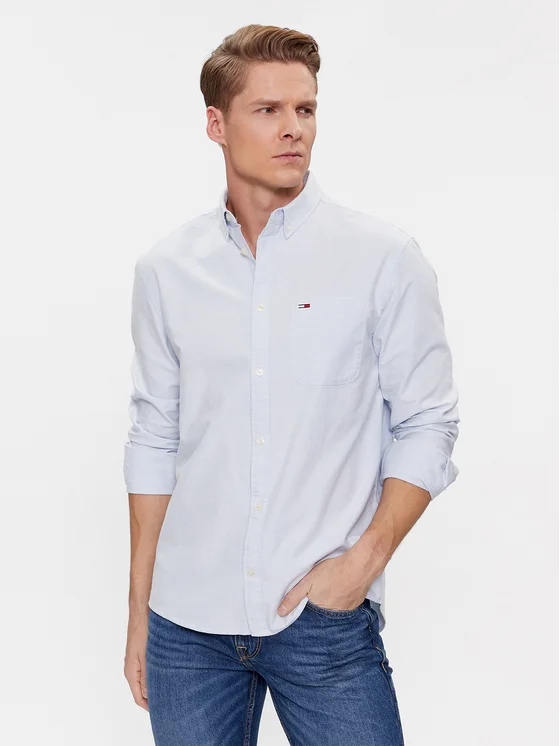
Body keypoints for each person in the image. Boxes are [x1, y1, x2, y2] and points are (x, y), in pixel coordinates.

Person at [122, 23, 460, 746]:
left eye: (305, 109)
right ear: (216, 125)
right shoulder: (166, 270)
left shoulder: (382, 258)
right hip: (187, 626)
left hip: (321, 620)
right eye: (268, 110)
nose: (293, 129)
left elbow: (428, 423)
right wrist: (140, 611)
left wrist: (362, 565)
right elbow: (154, 436)